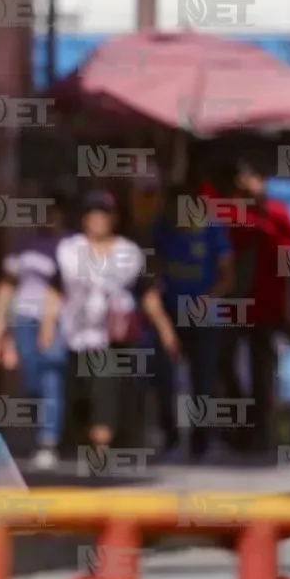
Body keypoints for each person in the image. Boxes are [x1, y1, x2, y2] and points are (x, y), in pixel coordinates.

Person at [40, 190, 180, 460]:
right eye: (93, 215)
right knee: (79, 393)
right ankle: (86, 441)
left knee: (106, 390)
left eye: (104, 215)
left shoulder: (128, 252)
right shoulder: (70, 250)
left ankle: (102, 447)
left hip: (113, 337)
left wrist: (165, 329)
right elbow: (55, 291)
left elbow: (148, 294)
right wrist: (47, 326)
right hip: (77, 335)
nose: (98, 221)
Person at [214, 156, 290, 459]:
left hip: (267, 305)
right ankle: (241, 421)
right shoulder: (229, 211)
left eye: (253, 178)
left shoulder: (279, 214)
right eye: (243, 178)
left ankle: (260, 432)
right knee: (223, 360)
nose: (248, 184)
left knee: (262, 370)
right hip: (234, 304)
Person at [152, 187, 236, 461]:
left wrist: (208, 299)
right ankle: (171, 436)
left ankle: (202, 440)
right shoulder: (163, 230)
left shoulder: (212, 230)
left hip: (204, 318)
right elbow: (154, 268)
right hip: (170, 317)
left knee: (204, 381)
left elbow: (228, 275)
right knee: (164, 378)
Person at [0, 198, 68, 469]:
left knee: (51, 377)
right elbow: (7, 286)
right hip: (23, 319)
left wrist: (50, 320)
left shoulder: (68, 247)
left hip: (56, 320)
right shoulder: (23, 245)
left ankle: (49, 439)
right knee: (30, 378)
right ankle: (40, 429)